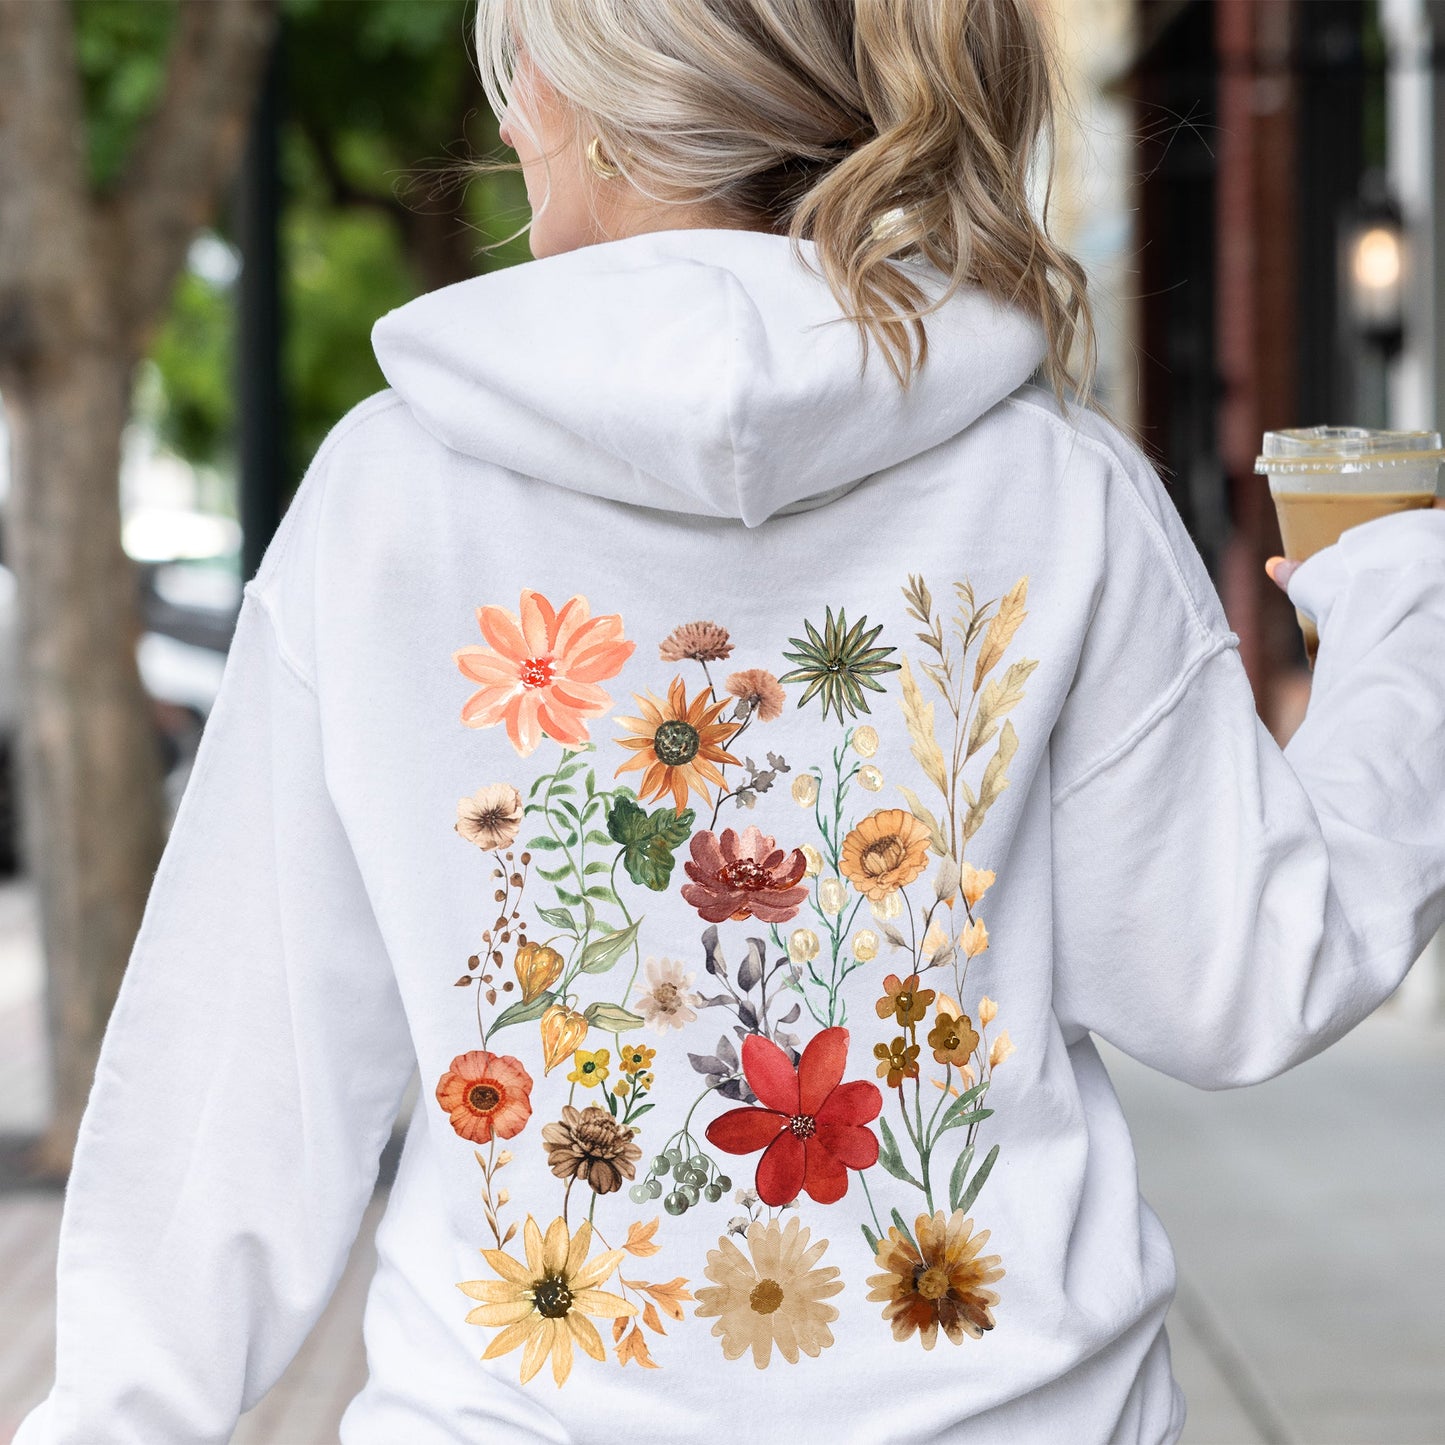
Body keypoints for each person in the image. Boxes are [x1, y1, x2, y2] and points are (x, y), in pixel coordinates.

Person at [17, 2, 1445, 1443]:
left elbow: (233, 1098)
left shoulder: (382, 501)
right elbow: (1238, 972)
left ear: (572, 109)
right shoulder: (1054, 485)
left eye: (510, 72)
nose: (506, 124)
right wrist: (1404, 627)